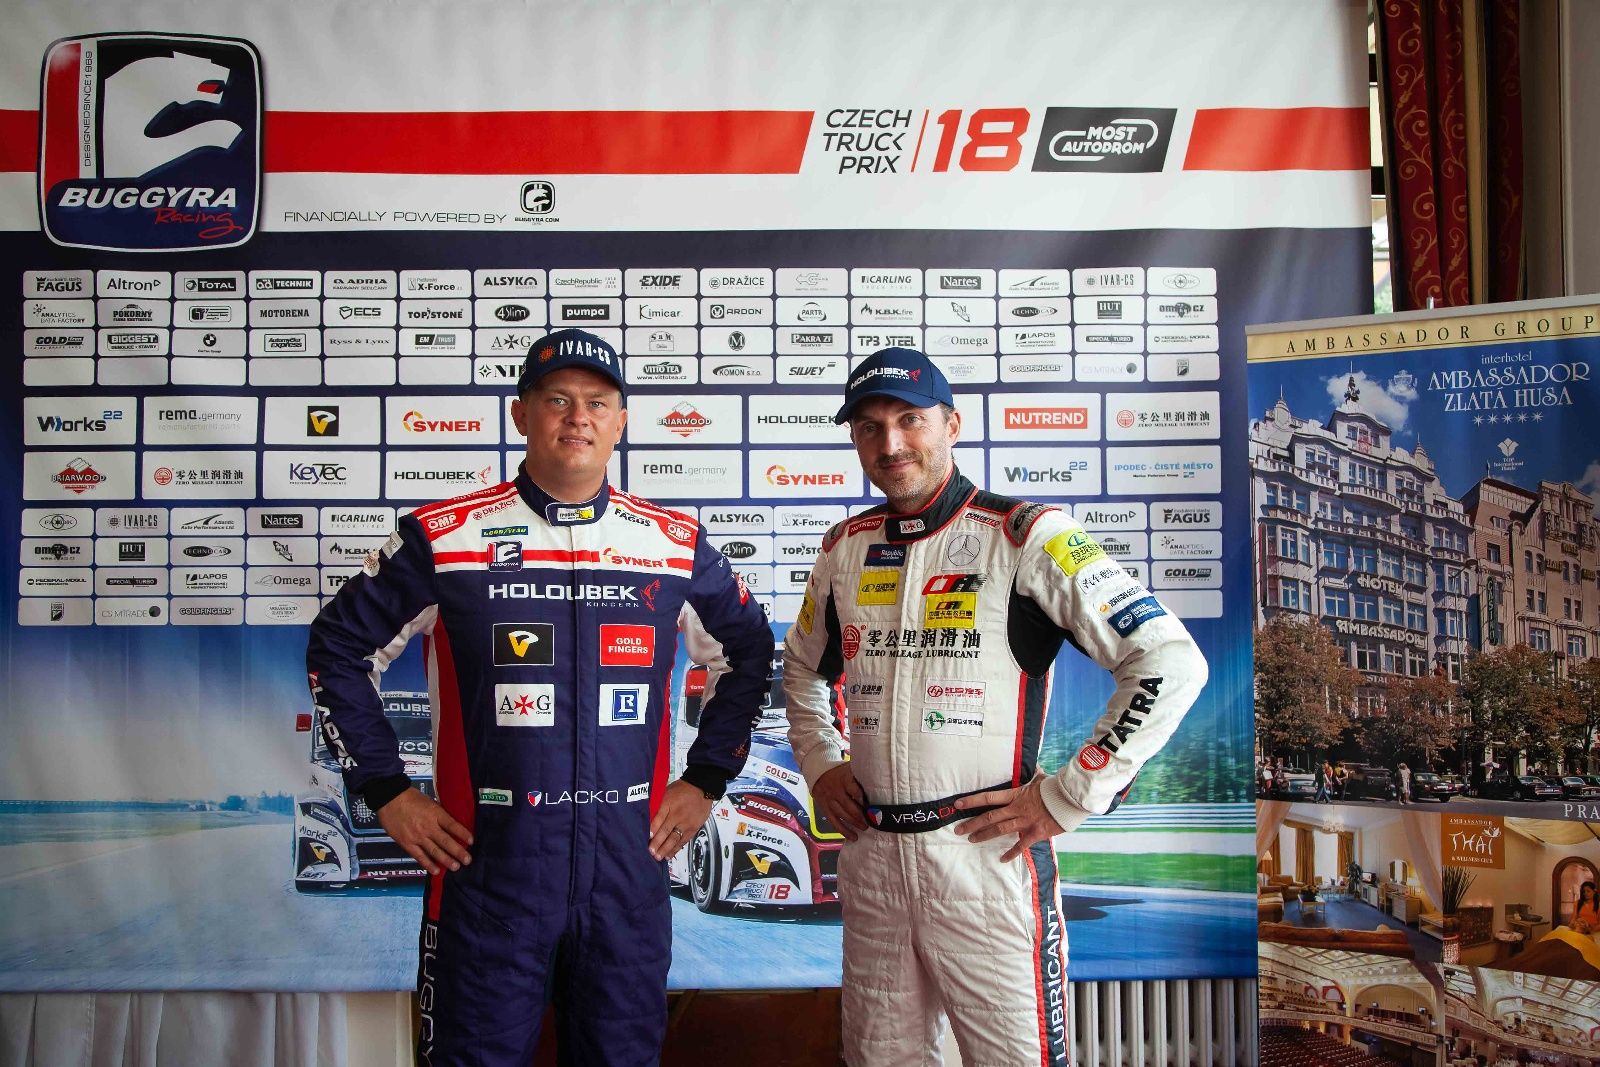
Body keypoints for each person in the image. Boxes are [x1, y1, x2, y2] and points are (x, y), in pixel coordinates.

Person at [306, 328, 772, 1066]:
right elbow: (337, 648)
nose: (578, 417)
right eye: (557, 399)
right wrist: (386, 789)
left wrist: (707, 777)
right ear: (521, 414)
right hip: (488, 875)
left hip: (628, 876)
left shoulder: (674, 542)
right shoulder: (444, 536)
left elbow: (748, 652)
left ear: (621, 421)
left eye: (598, 402)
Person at [783, 348, 1207, 1067]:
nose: (890, 443)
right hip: (874, 863)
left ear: (952, 424)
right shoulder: (844, 549)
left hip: (985, 859)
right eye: (869, 426)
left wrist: (1073, 793)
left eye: (910, 420)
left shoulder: (1028, 533)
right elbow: (800, 667)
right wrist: (823, 762)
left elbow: (1169, 661)